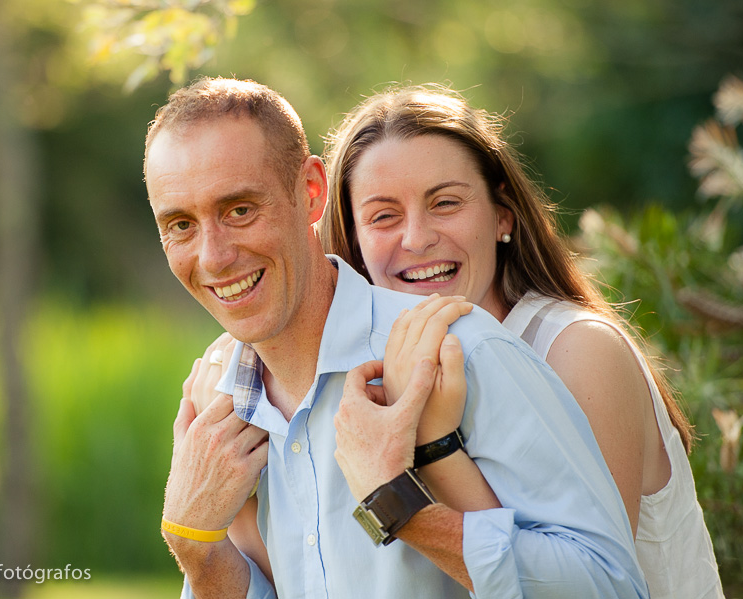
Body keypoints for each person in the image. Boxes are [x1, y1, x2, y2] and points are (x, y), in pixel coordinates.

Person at [145, 76, 647, 598]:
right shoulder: (219, 406)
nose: (213, 257)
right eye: (180, 224)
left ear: (311, 192)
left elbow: (608, 585)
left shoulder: (460, 351)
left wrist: (397, 501)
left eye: (240, 210)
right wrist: (195, 548)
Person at [319, 84, 724, 599]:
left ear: (502, 218)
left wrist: (436, 448)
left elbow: (584, 588)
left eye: (445, 203)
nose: (417, 238)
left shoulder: (579, 351)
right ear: (353, 243)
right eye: (383, 216)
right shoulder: (366, 382)